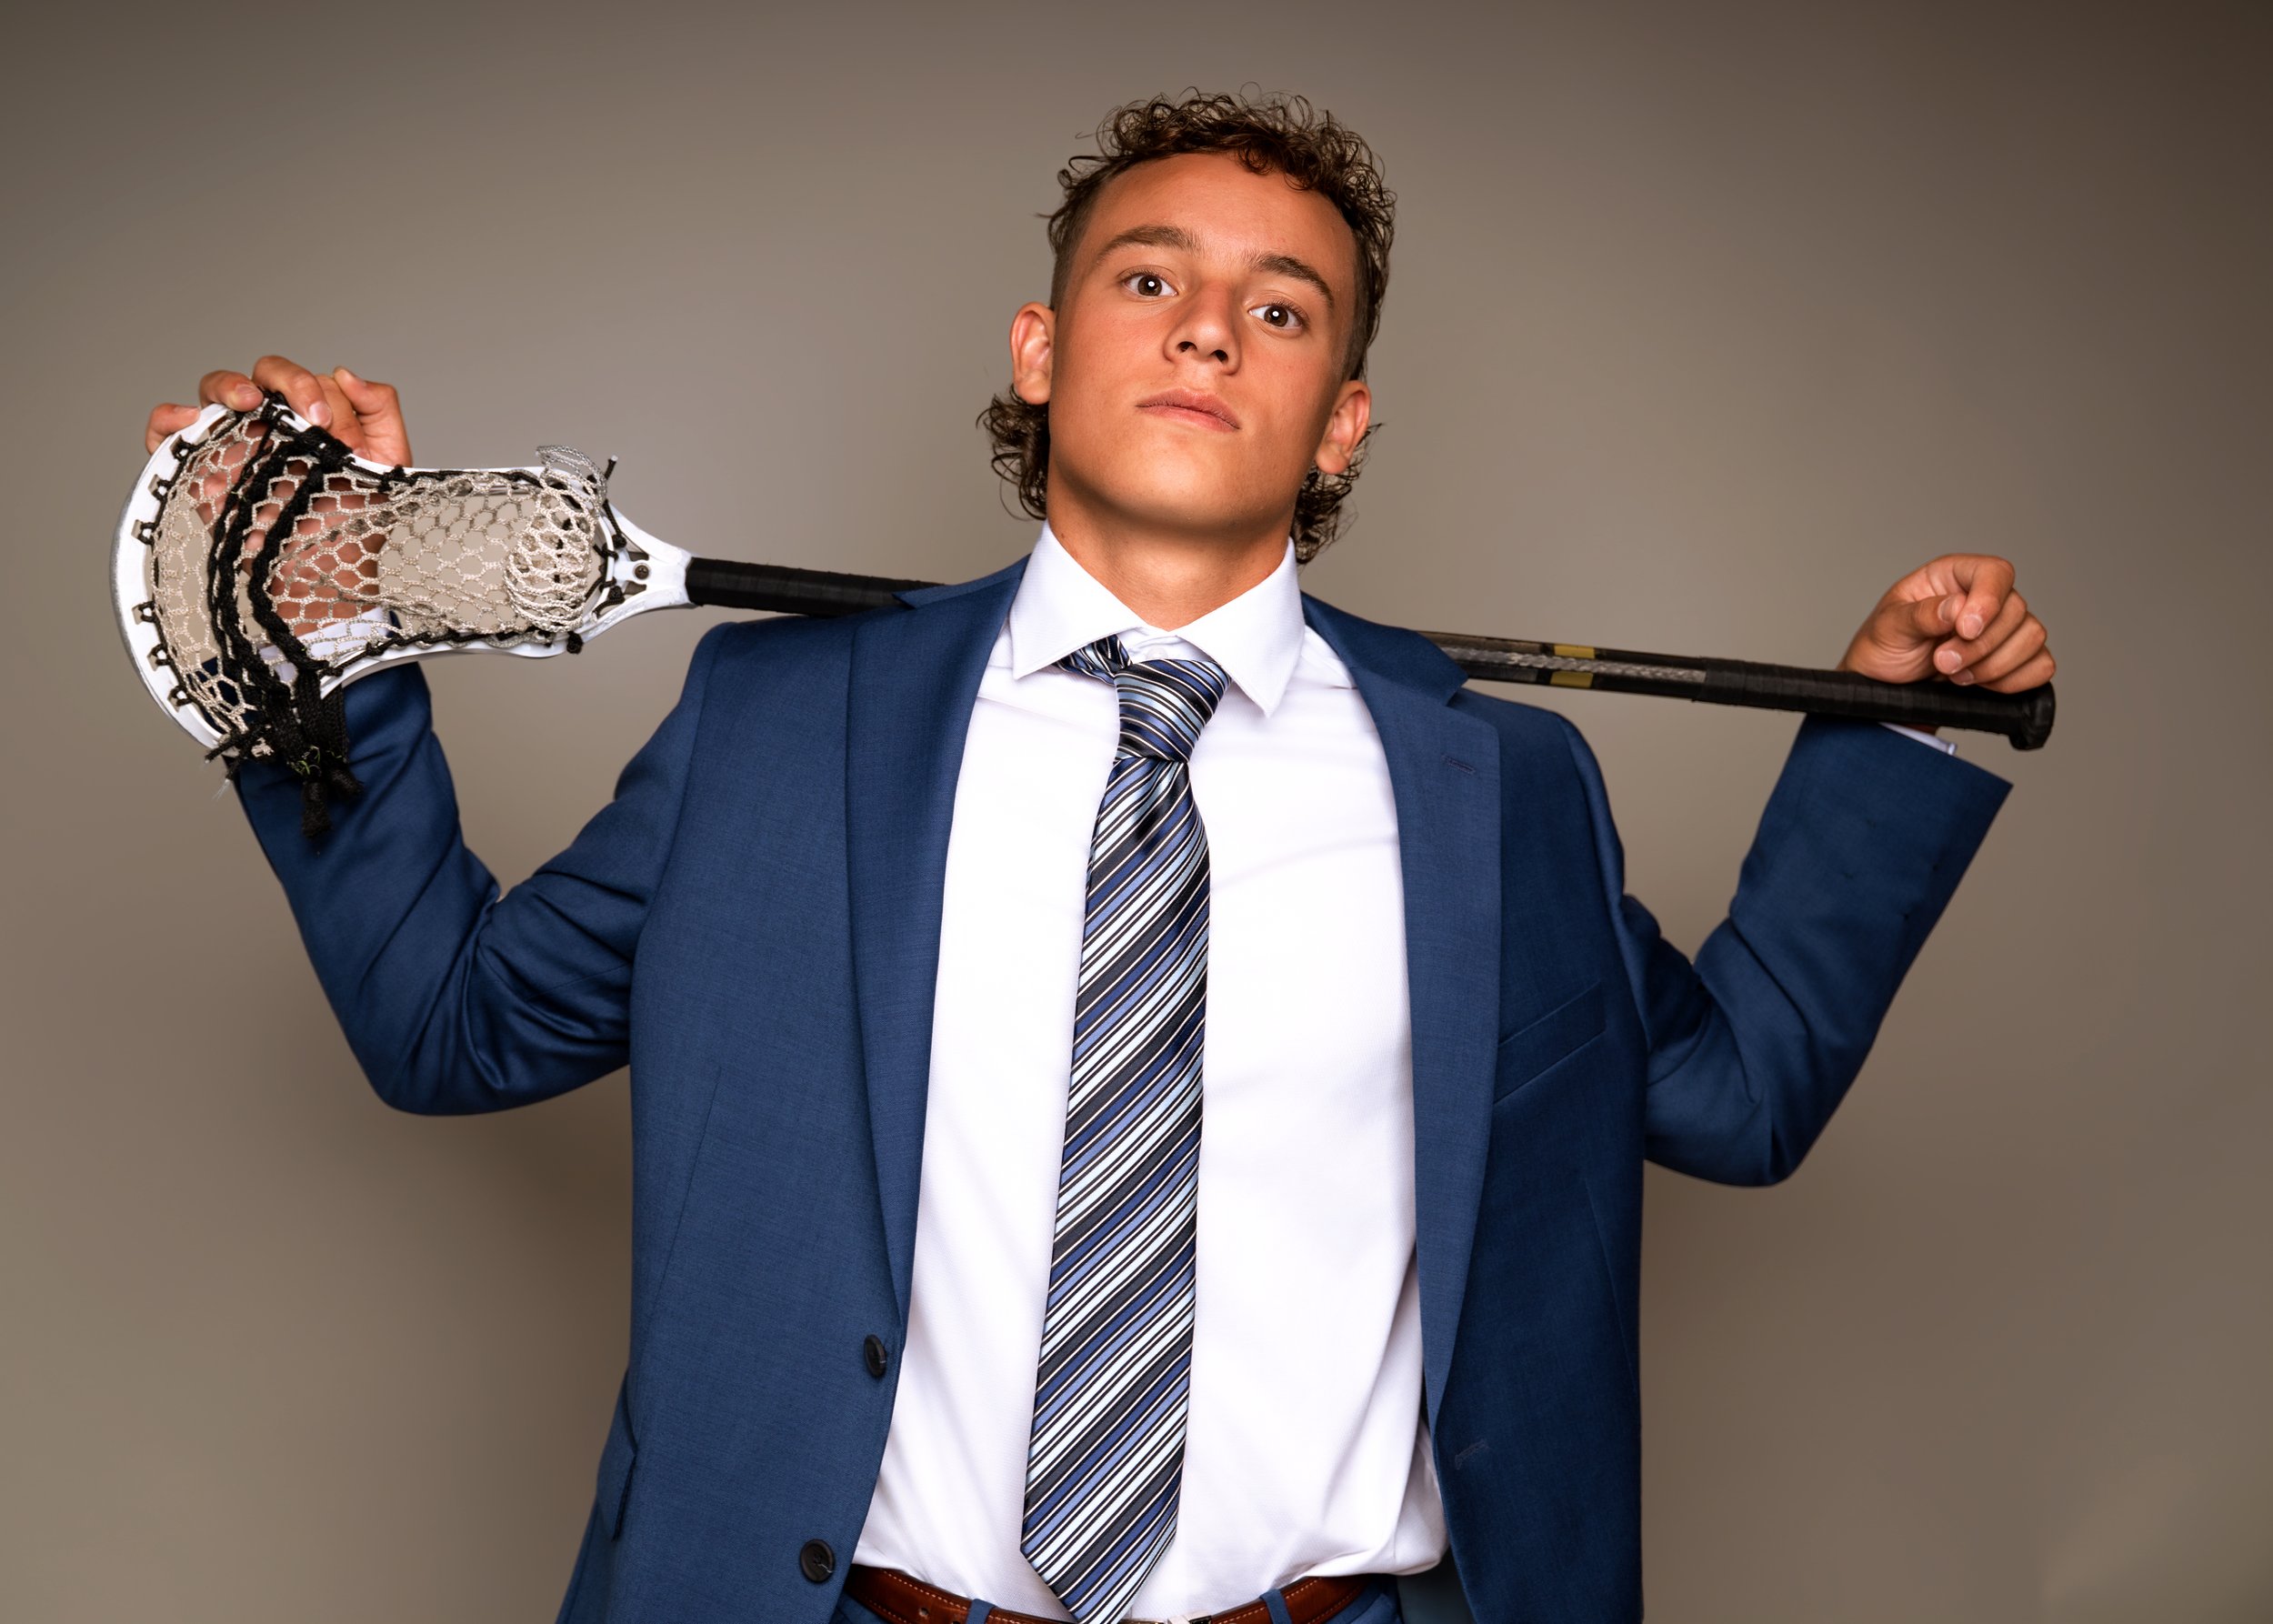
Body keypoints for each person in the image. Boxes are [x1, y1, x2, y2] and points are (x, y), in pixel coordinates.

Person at [142, 92, 2051, 1624]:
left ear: (1338, 424)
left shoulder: (1500, 786)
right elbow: (447, 1025)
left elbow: (1732, 1093)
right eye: (1149, 281)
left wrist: (1897, 734)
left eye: (1281, 306)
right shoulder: (780, 729)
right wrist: (316, 627)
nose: (1211, 323)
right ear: (1043, 352)